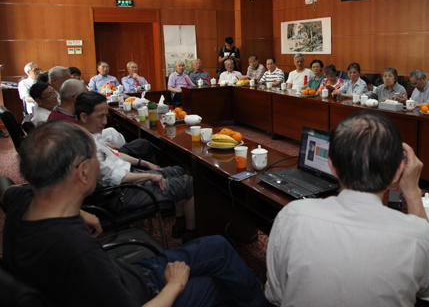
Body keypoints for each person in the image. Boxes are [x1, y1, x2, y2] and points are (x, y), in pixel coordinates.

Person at [1, 120, 269, 307]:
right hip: (149, 293)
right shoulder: (76, 252)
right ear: (82, 172)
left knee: (218, 245)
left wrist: (81, 213)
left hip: (132, 274)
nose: (100, 165)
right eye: (97, 158)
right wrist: (174, 285)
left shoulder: (22, 201)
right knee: (223, 283)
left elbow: (8, 190)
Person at [265, 110, 429, 306]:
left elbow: (276, 294)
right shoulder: (420, 236)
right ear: (397, 174)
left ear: (332, 166)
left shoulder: (290, 216)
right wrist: (412, 191)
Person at [76, 91, 197, 241]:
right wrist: (149, 175)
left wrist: (145, 163)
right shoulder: (84, 145)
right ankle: (190, 236)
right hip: (123, 193)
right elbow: (115, 177)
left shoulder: (90, 135)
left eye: (106, 116)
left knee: (181, 171)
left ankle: (179, 225)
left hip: (130, 178)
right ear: (84, 117)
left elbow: (116, 155)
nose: (105, 122)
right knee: (189, 184)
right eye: (100, 116)